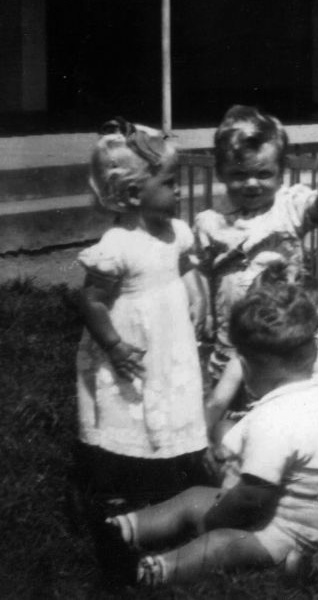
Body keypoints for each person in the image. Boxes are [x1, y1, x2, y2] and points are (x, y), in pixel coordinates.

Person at [106, 270, 318, 585]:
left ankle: (149, 570)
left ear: (244, 367)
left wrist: (216, 519)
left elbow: (251, 498)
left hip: (292, 531)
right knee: (195, 496)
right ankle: (119, 529)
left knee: (220, 543)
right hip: (283, 511)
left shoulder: (274, 420)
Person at [73, 118, 208, 586]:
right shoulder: (118, 246)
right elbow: (90, 300)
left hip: (169, 345)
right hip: (132, 349)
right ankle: (117, 498)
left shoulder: (174, 231)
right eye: (169, 183)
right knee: (128, 415)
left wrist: (196, 292)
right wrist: (112, 343)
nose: (178, 192)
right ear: (132, 195)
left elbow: (186, 264)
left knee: (166, 408)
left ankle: (162, 487)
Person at [192, 104, 318, 384]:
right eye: (239, 174)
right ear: (221, 173)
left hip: (291, 334)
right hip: (236, 340)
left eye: (264, 174)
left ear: (280, 173)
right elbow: (199, 273)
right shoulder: (210, 223)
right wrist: (202, 309)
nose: (251, 183)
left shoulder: (288, 207)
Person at [202, 260, 318, 472]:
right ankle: (238, 474)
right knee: (223, 429)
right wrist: (206, 443)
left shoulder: (316, 359)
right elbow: (216, 403)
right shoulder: (246, 358)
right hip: (258, 430)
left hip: (302, 435)